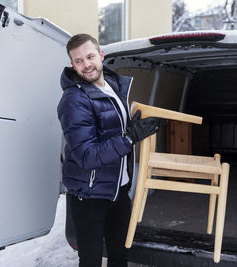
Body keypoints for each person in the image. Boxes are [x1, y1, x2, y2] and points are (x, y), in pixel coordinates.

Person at [57, 33, 159, 267]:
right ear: (72, 64)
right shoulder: (74, 100)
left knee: (119, 257)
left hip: (118, 189)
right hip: (89, 196)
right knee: (91, 261)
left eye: (90, 56)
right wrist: (131, 137)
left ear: (101, 55)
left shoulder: (113, 87)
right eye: (79, 61)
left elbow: (109, 130)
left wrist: (131, 127)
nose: (86, 64)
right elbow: (86, 155)